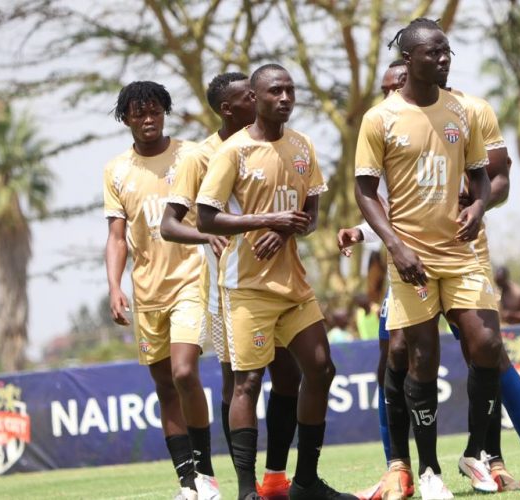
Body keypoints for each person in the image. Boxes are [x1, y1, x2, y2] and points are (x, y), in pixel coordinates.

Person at [354, 19, 504, 499]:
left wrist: (478, 207)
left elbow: (481, 175)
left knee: (486, 345)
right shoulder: (381, 118)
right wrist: (395, 245)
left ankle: (475, 453)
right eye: (434, 54)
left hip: (462, 254)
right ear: (410, 60)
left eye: (447, 53)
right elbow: (365, 192)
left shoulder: (461, 111)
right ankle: (429, 471)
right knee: (422, 359)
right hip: (410, 259)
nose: (443, 60)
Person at [196, 63, 356, 500]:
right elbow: (206, 217)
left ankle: (305, 482)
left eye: (290, 90)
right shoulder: (234, 151)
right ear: (255, 97)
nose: (285, 98)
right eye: (275, 92)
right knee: (247, 383)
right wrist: (265, 219)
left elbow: (311, 214)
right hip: (245, 288)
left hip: (294, 286)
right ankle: (249, 491)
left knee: (321, 369)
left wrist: (285, 228)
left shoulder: (302, 145)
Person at [160, 72, 301, 499]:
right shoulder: (201, 156)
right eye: (249, 97)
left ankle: (275, 476)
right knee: (238, 381)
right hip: (228, 286)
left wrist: (285, 231)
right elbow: (169, 223)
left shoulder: (278, 145)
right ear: (231, 107)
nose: (263, 99)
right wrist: (208, 236)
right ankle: (244, 483)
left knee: (289, 374)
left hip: (280, 282)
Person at [103, 81, 218, 500]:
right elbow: (117, 238)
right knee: (165, 386)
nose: (148, 119)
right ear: (126, 118)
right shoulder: (116, 170)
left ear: (165, 113)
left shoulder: (190, 155)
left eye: (154, 111)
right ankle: (187, 482)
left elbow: (214, 208)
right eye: (138, 113)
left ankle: (206, 475)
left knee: (185, 372)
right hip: (146, 292)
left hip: (190, 280)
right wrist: (115, 287)